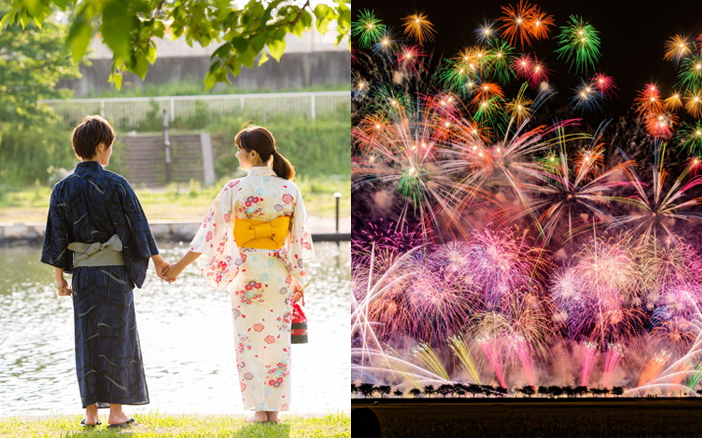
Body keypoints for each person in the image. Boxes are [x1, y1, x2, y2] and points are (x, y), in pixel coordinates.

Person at [162, 125, 314, 423]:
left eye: (238, 149)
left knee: (249, 343)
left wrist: (177, 267)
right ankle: (274, 411)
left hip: (246, 274)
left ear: (252, 153)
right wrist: (298, 277)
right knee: (277, 343)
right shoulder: (289, 189)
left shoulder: (235, 189)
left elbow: (209, 234)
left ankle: (259, 410)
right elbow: (299, 239)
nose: (236, 154)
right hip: (278, 274)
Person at [41, 115, 168, 428]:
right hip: (114, 275)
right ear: (100, 146)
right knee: (118, 339)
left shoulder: (62, 188)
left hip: (83, 276)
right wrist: (159, 262)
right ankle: (116, 413)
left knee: (87, 340)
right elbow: (139, 228)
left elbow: (57, 237)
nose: (110, 151)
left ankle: (90, 415)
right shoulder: (116, 184)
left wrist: (60, 278)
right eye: (109, 146)